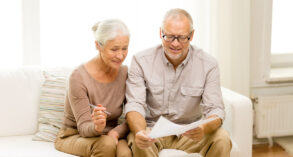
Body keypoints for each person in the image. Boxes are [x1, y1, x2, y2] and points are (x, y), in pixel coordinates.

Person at [124, 8, 232, 157]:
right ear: (160, 33)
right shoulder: (141, 61)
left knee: (222, 139)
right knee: (140, 143)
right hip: (153, 131)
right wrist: (140, 132)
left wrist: (204, 128)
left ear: (192, 35)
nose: (175, 44)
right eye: (169, 37)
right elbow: (134, 105)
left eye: (181, 37)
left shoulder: (208, 64)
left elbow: (216, 110)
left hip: (190, 133)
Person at [55, 19, 132, 157]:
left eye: (124, 48)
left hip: (110, 134)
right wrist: (97, 126)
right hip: (75, 135)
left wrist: (116, 132)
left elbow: (133, 115)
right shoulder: (78, 77)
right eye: (114, 49)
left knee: (125, 153)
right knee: (106, 145)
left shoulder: (125, 73)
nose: (120, 55)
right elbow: (84, 128)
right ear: (98, 45)